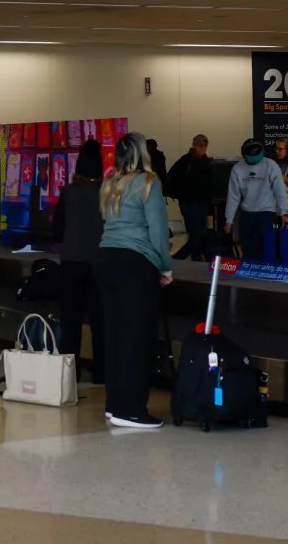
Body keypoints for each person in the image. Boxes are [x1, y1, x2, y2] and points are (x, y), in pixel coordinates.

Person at [94, 133, 172, 430]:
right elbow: (158, 231)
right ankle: (132, 409)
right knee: (138, 338)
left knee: (115, 336)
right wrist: (165, 268)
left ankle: (115, 405)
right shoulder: (149, 183)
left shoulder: (110, 182)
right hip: (135, 263)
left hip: (106, 259)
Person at [52, 139, 105, 383]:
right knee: (100, 320)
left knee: (70, 320)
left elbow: (57, 231)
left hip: (71, 263)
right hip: (99, 263)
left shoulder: (68, 193)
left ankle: (70, 373)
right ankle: (101, 372)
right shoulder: (107, 195)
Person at [224, 139, 288, 261]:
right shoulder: (237, 169)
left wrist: (284, 213)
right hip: (247, 214)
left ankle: (262, 270)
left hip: (266, 213)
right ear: (244, 155)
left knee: (264, 248)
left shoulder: (271, 165)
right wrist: (229, 220)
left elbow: (280, 191)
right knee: (247, 247)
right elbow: (233, 196)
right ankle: (249, 270)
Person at [168, 134, 212, 262]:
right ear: (194, 146)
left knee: (201, 234)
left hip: (201, 203)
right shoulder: (186, 161)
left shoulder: (205, 161)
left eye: (205, 146)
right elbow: (172, 178)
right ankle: (181, 257)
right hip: (190, 203)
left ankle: (193, 257)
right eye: (200, 146)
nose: (203, 148)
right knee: (196, 234)